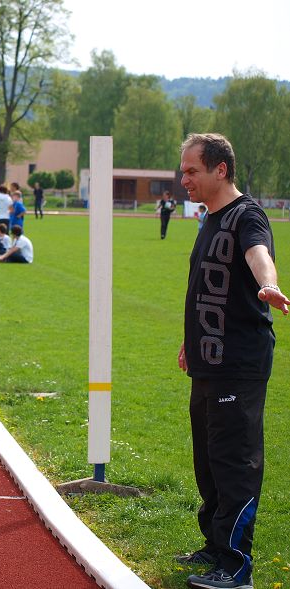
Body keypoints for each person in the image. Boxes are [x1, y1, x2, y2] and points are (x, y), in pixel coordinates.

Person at [175, 133, 289, 589]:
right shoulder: (210, 218)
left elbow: (259, 254)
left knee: (234, 463)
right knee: (208, 462)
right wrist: (190, 341)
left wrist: (269, 284)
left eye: (191, 171)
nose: (184, 180)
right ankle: (214, 546)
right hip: (206, 362)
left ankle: (237, 568)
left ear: (220, 169)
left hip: (237, 365)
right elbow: (206, 289)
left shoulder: (247, 215)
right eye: (183, 171)